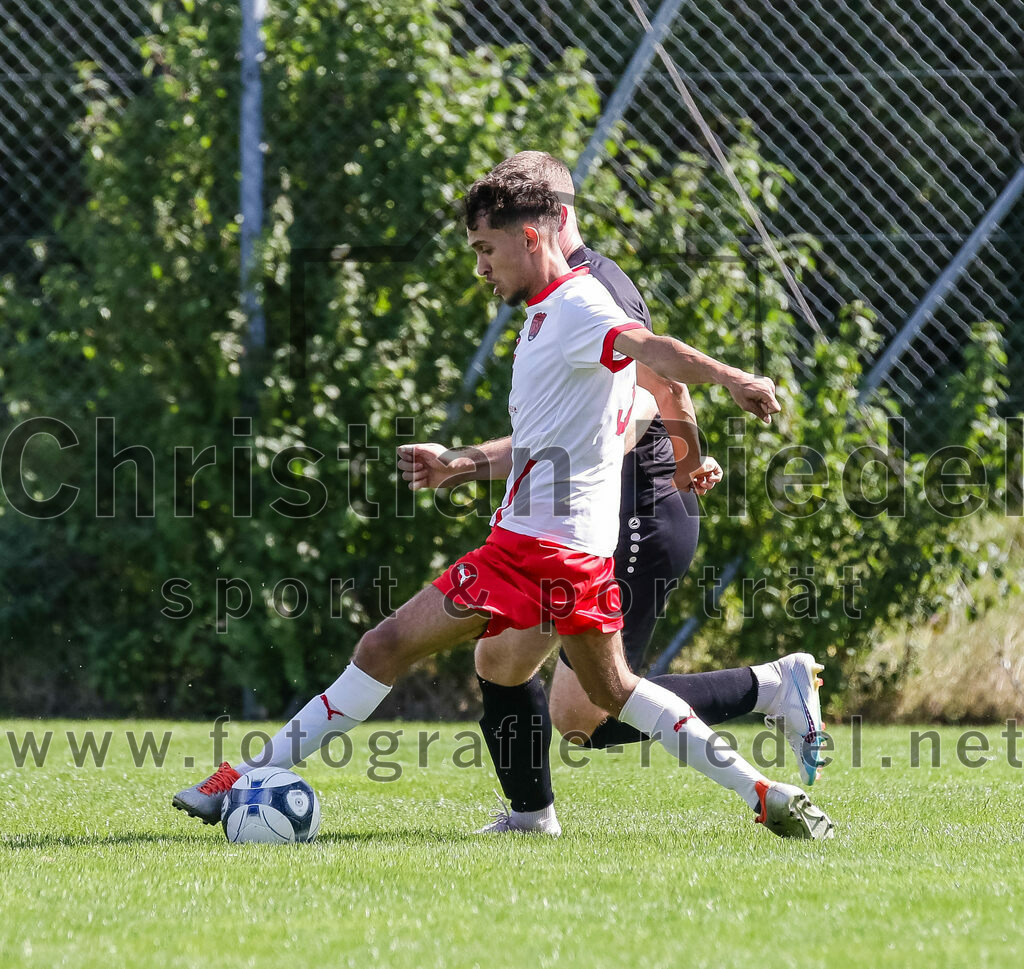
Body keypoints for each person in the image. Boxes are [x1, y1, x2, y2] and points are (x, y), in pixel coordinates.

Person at [173, 171, 834, 840]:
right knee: (602, 693)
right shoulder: (546, 313)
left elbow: (656, 355)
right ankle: (760, 790)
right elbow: (568, 429)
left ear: (528, 236)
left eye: (486, 250)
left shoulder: (581, 304)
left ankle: (243, 777)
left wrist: (733, 378)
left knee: (391, 645)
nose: (481, 267)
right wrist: (462, 463)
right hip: (558, 553)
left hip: (534, 552)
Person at [398, 152, 826, 836]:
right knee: (502, 660)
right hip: (591, 519)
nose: (487, 256)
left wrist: (680, 460)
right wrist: (465, 464)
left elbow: (657, 389)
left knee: (586, 711)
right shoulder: (554, 292)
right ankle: (531, 816)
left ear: (549, 216)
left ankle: (771, 687)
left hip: (633, 512)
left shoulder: (592, 289)